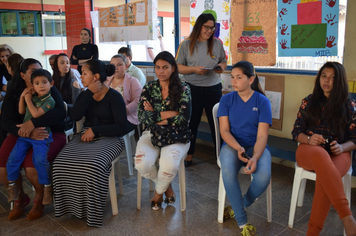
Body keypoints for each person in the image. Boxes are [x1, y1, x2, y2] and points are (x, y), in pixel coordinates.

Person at [53, 59, 128, 227]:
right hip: (85, 136)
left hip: (111, 139)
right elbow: (75, 116)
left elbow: (121, 127)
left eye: (84, 73)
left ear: (95, 76)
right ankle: (72, 208)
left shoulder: (114, 97)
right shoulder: (84, 94)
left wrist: (96, 130)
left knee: (92, 166)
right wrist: (87, 93)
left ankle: (92, 212)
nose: (81, 76)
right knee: (59, 164)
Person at [291, 61, 356, 236]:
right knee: (321, 156)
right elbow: (296, 132)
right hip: (309, 150)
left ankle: (312, 232)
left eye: (332, 78)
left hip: (338, 153)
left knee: (326, 174)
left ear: (340, 81)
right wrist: (310, 139)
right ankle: (347, 216)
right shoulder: (309, 101)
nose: (326, 81)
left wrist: (342, 148)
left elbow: (354, 139)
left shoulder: (349, 107)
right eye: (324, 76)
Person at [0, 58, 66, 221]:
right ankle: (19, 198)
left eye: (40, 69)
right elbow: (6, 121)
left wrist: (33, 124)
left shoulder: (47, 88)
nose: (38, 75)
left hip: (48, 132)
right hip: (21, 134)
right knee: (3, 163)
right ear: (22, 75)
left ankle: (40, 199)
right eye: (32, 72)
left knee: (32, 166)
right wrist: (27, 131)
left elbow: (60, 114)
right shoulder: (15, 91)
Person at [217, 61, 272, 236]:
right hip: (232, 145)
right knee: (227, 171)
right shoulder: (226, 100)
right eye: (232, 77)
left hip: (256, 146)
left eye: (238, 77)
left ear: (250, 79)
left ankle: (240, 204)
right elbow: (224, 131)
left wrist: (255, 157)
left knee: (263, 176)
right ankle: (242, 222)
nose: (233, 81)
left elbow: (262, 136)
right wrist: (239, 148)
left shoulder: (262, 101)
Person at [135, 51, 192, 210]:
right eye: (158, 67)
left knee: (169, 166)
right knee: (142, 164)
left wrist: (154, 114)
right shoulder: (149, 87)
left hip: (177, 136)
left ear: (173, 68)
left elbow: (184, 119)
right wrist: (167, 114)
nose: (161, 71)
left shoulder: (183, 88)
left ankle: (158, 195)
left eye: (165, 67)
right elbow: (142, 117)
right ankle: (167, 188)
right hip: (153, 133)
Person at [176, 13, 227, 166]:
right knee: (192, 123)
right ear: (199, 25)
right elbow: (178, 67)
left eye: (212, 28)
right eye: (207, 27)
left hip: (213, 88)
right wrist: (194, 70)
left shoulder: (217, 43)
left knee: (217, 123)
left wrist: (220, 68)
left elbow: (223, 61)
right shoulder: (186, 44)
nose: (210, 30)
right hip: (192, 88)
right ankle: (189, 155)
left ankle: (221, 157)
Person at [6, 69, 55, 206]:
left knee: (39, 160)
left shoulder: (50, 100)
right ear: (32, 85)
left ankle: (47, 187)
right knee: (13, 158)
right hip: (26, 135)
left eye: (44, 82)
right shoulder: (33, 97)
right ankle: (12, 186)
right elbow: (21, 111)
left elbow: (35, 115)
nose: (41, 86)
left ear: (51, 84)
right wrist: (23, 97)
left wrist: (27, 99)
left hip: (41, 135)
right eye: (37, 83)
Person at [106, 54, 142, 133]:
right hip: (108, 115)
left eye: (119, 65)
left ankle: (116, 145)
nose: (116, 68)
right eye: (113, 65)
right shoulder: (106, 81)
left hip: (127, 116)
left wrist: (121, 111)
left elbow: (137, 101)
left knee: (110, 130)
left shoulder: (133, 81)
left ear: (126, 66)